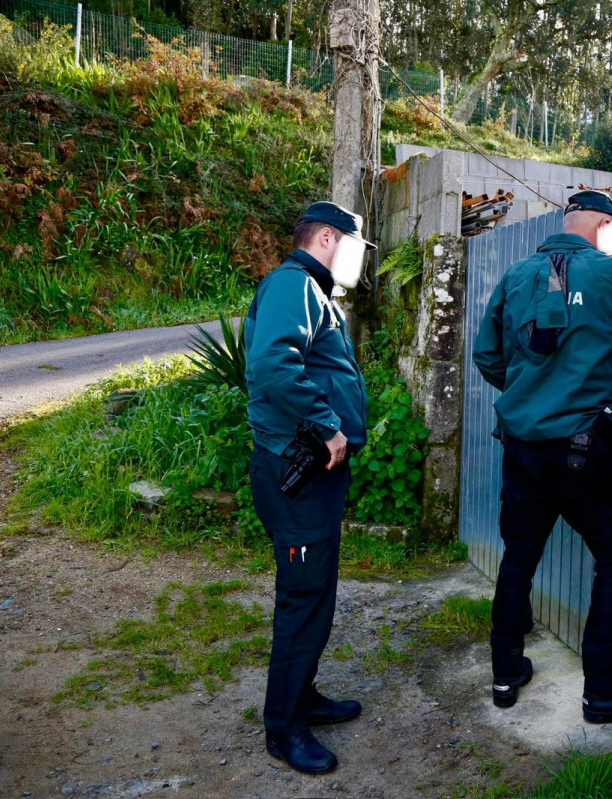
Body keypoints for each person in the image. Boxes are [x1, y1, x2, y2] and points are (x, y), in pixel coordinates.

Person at [472, 190, 612, 723]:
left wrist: (530, 393)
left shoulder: (516, 276)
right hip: (584, 451)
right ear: (605, 224)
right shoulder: (610, 273)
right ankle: (603, 691)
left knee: (519, 557)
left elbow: (487, 355)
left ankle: (505, 673)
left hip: (522, 447)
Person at [244, 201, 371, 774]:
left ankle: (304, 696)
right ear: (326, 237)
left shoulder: (312, 291)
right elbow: (273, 364)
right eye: (353, 246)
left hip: (311, 476)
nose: (357, 261)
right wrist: (327, 425)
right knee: (302, 599)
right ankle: (284, 728)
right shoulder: (292, 285)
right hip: (294, 472)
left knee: (314, 592)